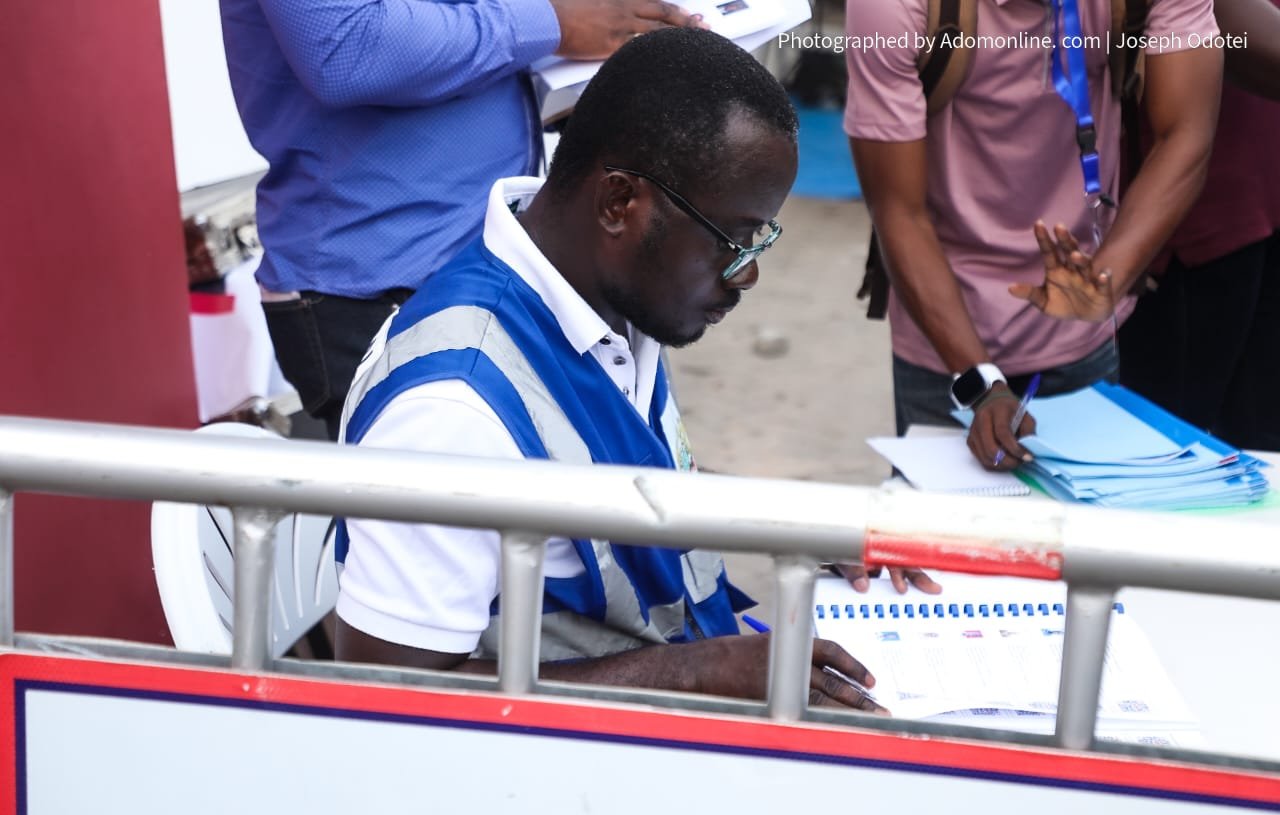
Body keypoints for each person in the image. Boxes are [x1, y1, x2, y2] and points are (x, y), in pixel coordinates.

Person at [330, 28, 882, 711]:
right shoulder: (454, 409)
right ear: (620, 202)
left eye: (759, 239)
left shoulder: (605, 297)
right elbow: (385, 701)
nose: (749, 273)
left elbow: (633, 483)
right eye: (732, 240)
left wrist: (807, 527)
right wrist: (700, 674)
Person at [219, 0, 703, 439]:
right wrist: (552, 23)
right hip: (386, 287)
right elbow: (346, 47)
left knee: (610, 507)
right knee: (458, 526)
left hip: (514, 264)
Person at [844, 0, 1222, 469]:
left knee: (1083, 536)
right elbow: (897, 209)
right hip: (943, 324)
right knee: (951, 536)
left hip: (1085, 333)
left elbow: (1185, 135)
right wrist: (980, 384)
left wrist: (1103, 282)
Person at [1119, 0, 1280, 452]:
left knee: (1260, 457)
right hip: (1193, 227)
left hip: (1262, 196)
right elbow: (1230, 22)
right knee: (1166, 460)